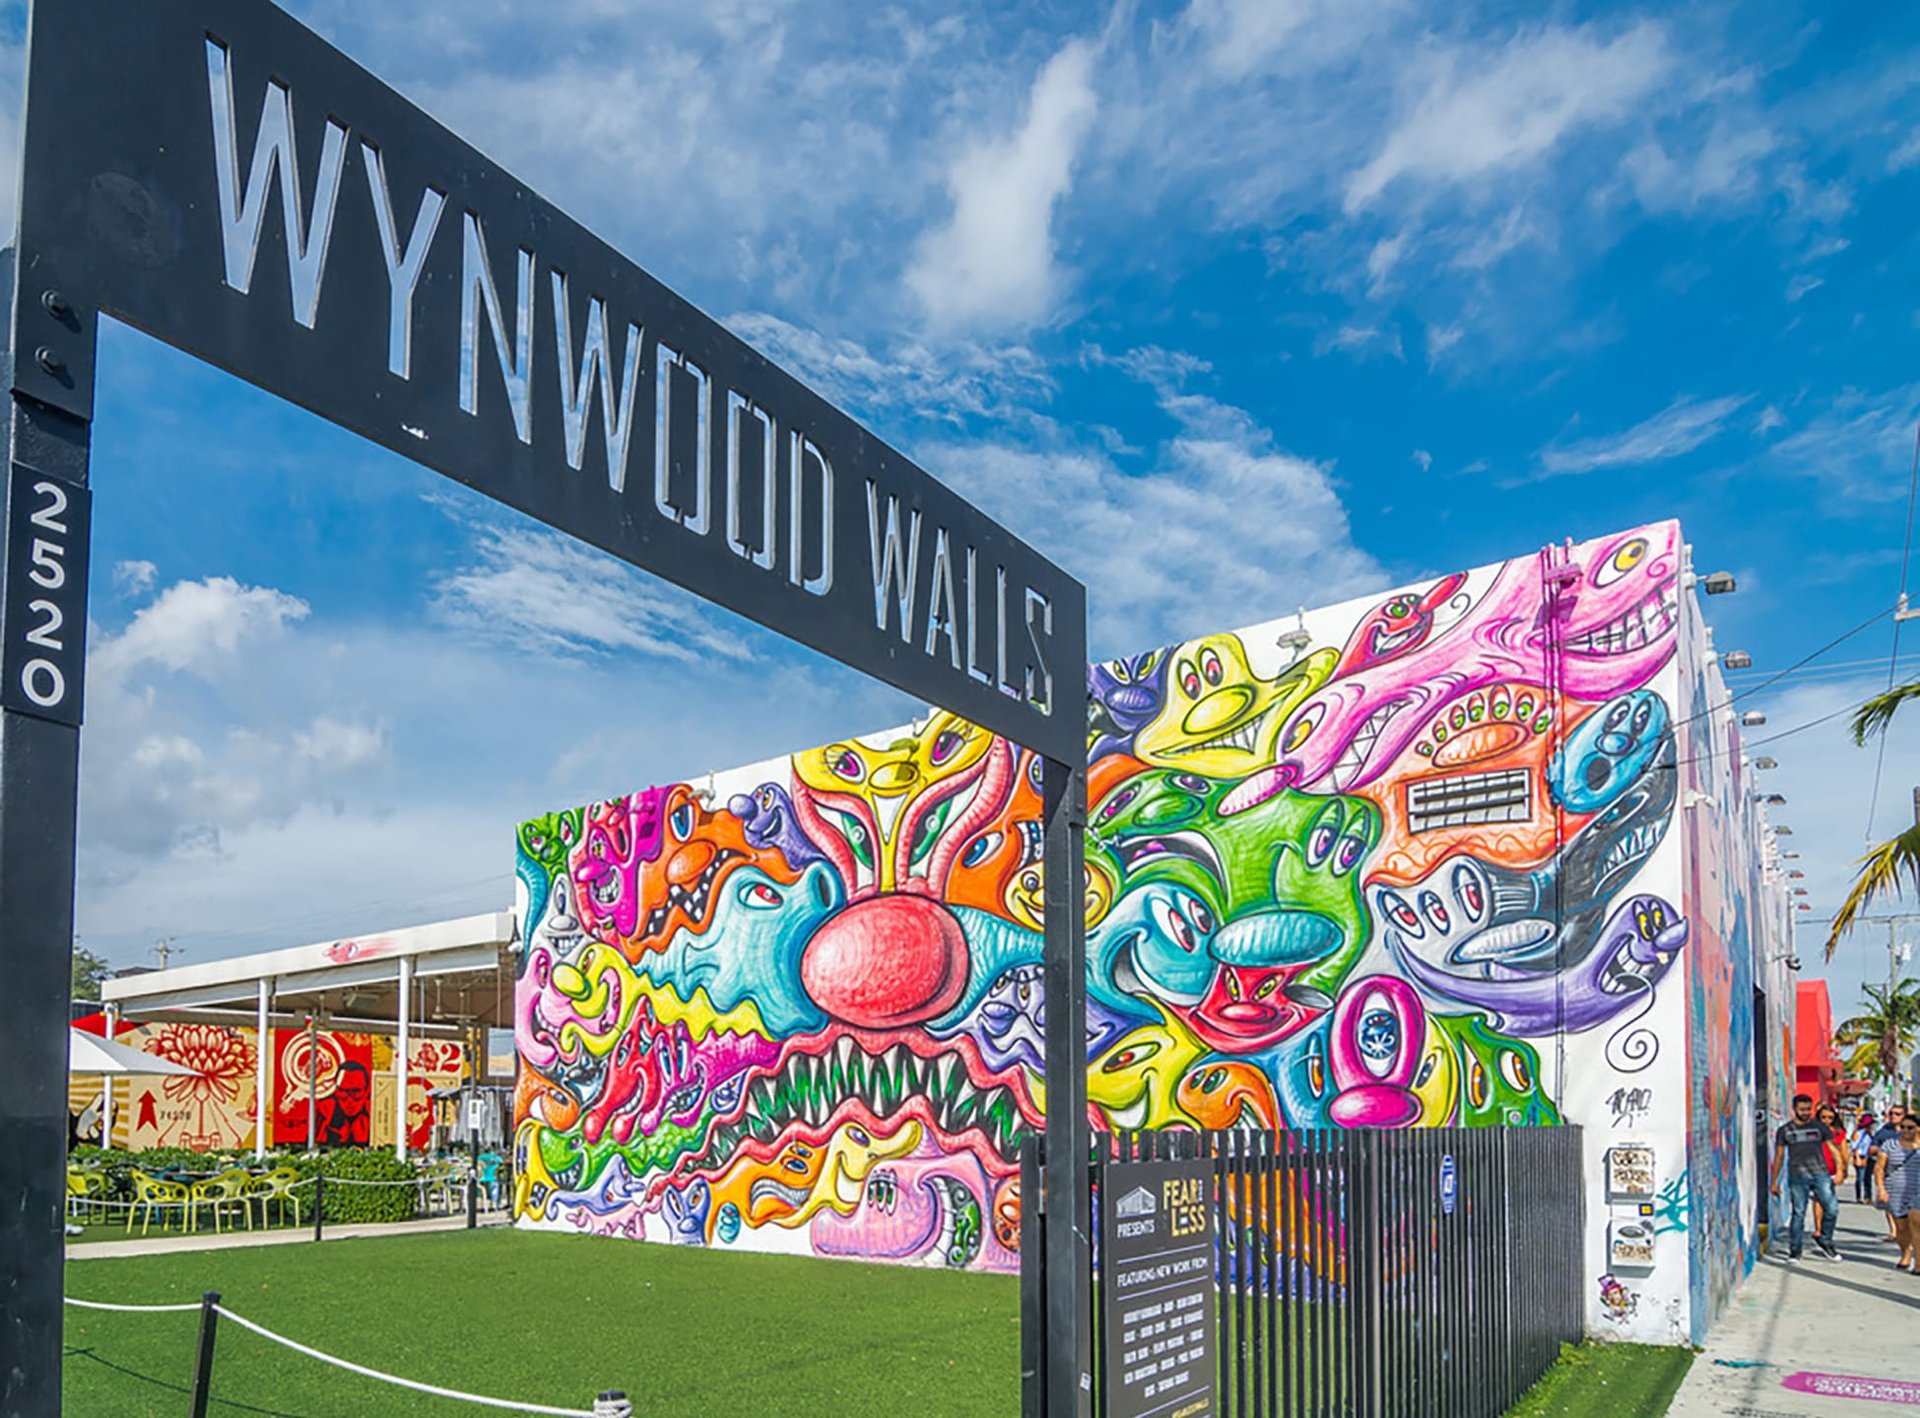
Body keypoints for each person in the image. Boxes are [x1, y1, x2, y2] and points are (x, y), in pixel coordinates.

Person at [1771, 1093, 1842, 1261]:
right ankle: (1795, 1251)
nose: (1805, 1113)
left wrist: (1840, 1171)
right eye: (1802, 1109)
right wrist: (1774, 1182)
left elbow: (1833, 1149)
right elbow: (1779, 1157)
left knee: (1832, 1209)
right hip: (1798, 1176)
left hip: (1821, 1174)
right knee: (1798, 1213)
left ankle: (1825, 1239)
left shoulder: (1820, 1127)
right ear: (1794, 1109)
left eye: (1808, 1109)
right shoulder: (1785, 1131)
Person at [1874, 1112, 1920, 1273]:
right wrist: (1881, 1188)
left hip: (1918, 1191)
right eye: (1902, 1127)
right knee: (1902, 1228)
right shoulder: (1890, 1144)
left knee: (1917, 1225)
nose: (1905, 1130)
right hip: (1896, 1190)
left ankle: (1918, 1263)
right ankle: (1906, 1253)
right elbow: (1879, 1168)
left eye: (1910, 1127)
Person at [1812, 1102, 1852, 1241]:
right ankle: (1818, 1228)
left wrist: (1844, 1169)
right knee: (1818, 1197)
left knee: (1828, 1198)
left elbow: (1844, 1151)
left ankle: (1825, 1226)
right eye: (1823, 1117)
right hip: (1817, 1168)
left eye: (1830, 1117)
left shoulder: (1838, 1132)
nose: (1826, 1120)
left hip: (1833, 1168)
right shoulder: (1813, 1130)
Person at [1872, 1106, 1908, 1241]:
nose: (1893, 1116)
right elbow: (1872, 1148)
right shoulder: (1884, 1131)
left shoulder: (1912, 1130)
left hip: (1910, 1172)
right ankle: (1894, 1231)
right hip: (1889, 1171)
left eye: (1897, 1114)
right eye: (1891, 1113)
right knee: (1890, 1203)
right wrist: (1884, 1151)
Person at [1852, 1114, 1878, 1202]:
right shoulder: (1858, 1133)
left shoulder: (1872, 1134)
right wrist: (1857, 1158)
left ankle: (1868, 1197)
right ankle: (1858, 1196)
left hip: (1869, 1157)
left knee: (1868, 1178)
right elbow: (1854, 1146)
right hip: (1860, 1155)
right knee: (1860, 1177)